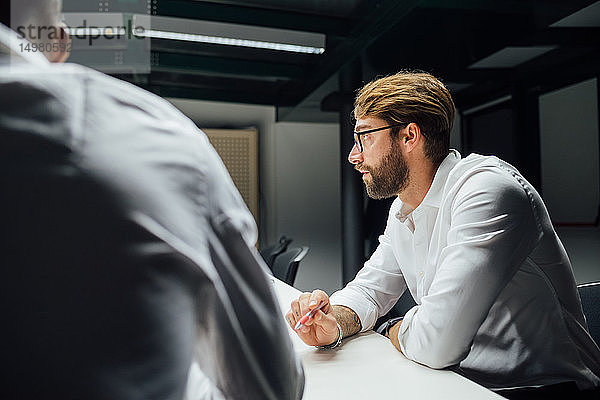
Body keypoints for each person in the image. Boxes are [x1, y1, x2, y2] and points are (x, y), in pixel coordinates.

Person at [0, 1, 304, 399]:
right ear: (57, 40)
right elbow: (272, 389)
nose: (354, 155)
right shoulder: (159, 136)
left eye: (362, 138)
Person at [286, 71, 600, 397]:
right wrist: (333, 323)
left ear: (409, 136)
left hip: (543, 388)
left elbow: (435, 345)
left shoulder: (488, 191)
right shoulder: (404, 208)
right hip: (461, 382)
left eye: (365, 137)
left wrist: (389, 326)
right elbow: (369, 291)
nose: (354, 155)